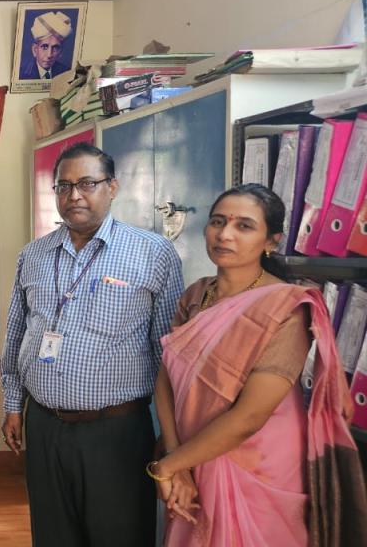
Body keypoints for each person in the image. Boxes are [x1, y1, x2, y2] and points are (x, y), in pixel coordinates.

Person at [151, 183, 367, 546]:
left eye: (244, 226)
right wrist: (177, 461)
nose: (225, 234)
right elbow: (165, 380)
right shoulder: (196, 294)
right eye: (218, 222)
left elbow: (250, 416)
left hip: (257, 463)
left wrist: (168, 467)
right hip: (190, 454)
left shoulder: (286, 307)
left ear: (271, 241)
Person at [0, 142, 184, 547]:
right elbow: (17, 335)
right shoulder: (34, 255)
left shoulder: (153, 253)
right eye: (64, 186)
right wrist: (13, 405)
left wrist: (172, 437)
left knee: (119, 535)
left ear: (112, 187)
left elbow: (168, 353)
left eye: (87, 183)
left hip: (116, 431)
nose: (74, 196)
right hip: (44, 425)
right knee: (53, 536)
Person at [19, 10, 73, 80]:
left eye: (55, 48)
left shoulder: (67, 73)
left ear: (61, 52)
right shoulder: (21, 74)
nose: (49, 55)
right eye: (44, 47)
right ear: (35, 50)